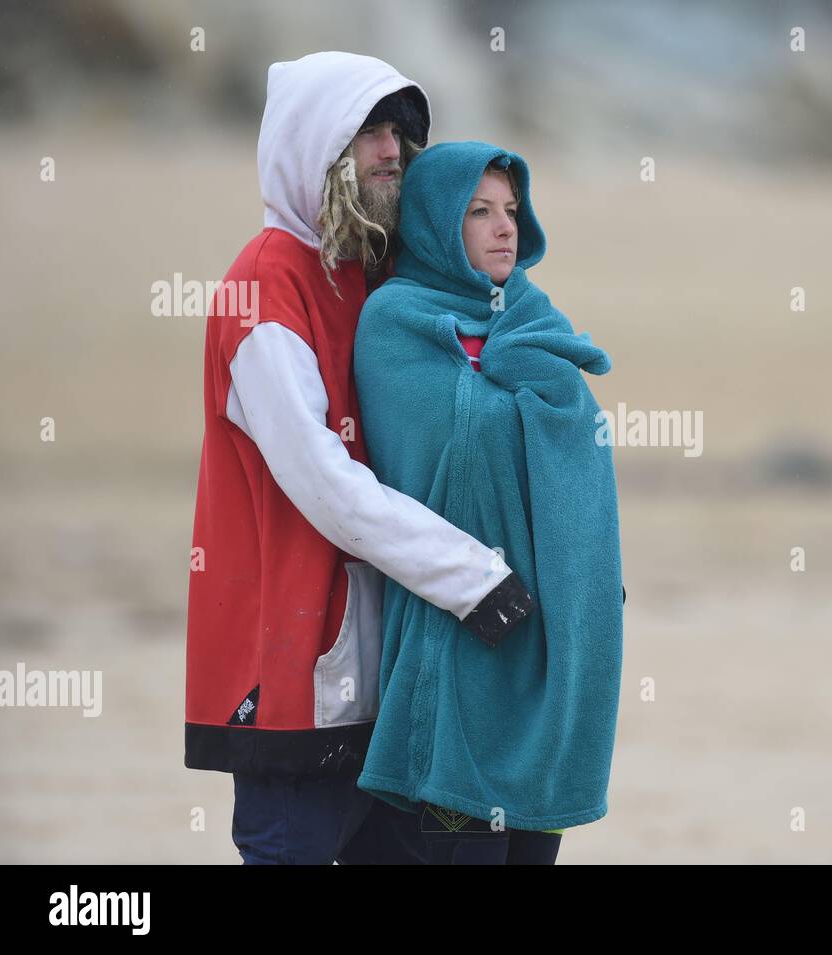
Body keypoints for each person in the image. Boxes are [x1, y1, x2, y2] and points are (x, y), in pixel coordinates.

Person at [184, 54, 532, 865]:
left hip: (394, 680)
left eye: (399, 132)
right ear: (315, 142)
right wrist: (473, 577)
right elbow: (326, 485)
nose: (391, 149)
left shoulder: (370, 276)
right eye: (369, 129)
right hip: (294, 682)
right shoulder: (264, 287)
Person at [352, 142, 625, 865]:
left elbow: (582, 458)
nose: (505, 227)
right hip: (458, 636)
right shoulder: (395, 323)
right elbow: (443, 444)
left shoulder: (536, 322)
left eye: (511, 210)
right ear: (438, 225)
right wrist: (512, 385)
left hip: (547, 644)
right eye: (479, 212)